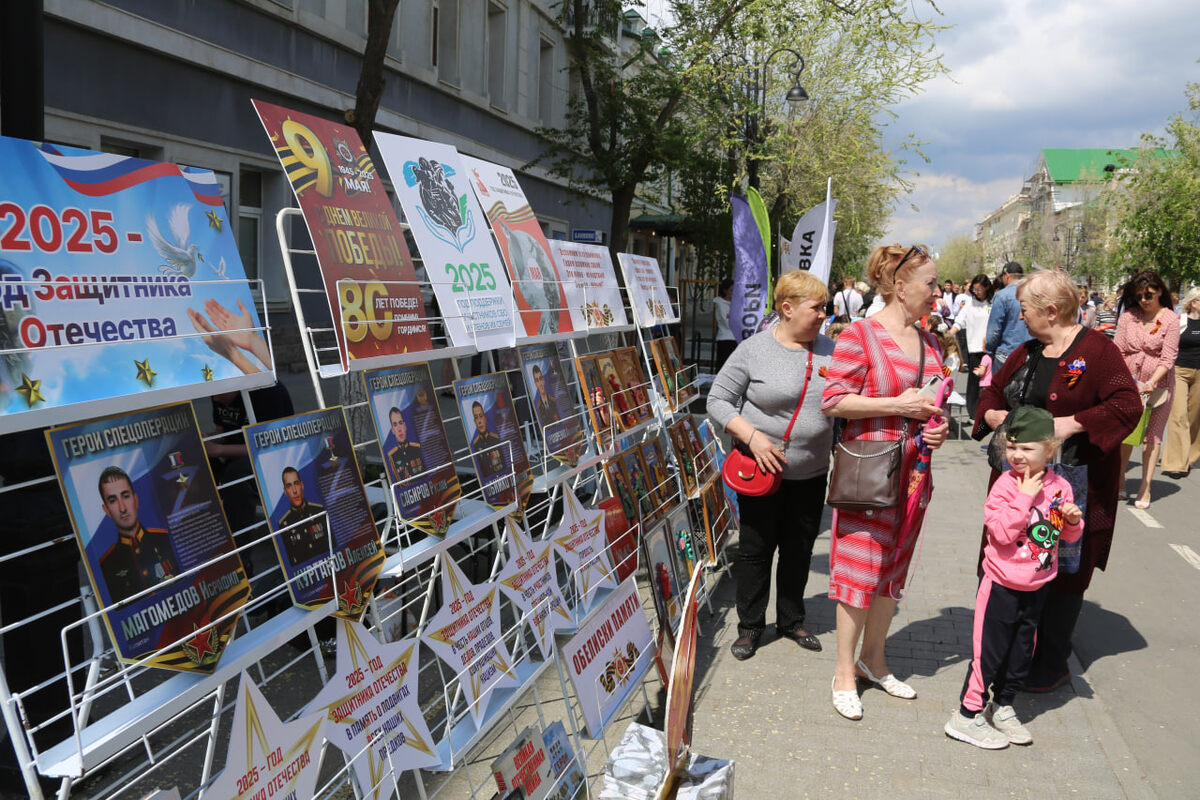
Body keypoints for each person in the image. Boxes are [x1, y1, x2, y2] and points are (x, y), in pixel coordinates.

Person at [973, 269, 1140, 692]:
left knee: (1063, 572)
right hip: (1017, 485)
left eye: (1025, 309)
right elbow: (994, 390)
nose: (1022, 316)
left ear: (1051, 310)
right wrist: (992, 415)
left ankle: (1051, 662)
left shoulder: (1098, 352)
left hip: (1073, 485)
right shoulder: (1026, 351)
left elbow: (1126, 404)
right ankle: (1001, 652)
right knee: (1008, 559)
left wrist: (1075, 423)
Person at [822, 243, 949, 720]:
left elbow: (932, 402)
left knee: (892, 571)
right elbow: (833, 400)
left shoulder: (931, 342)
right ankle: (843, 672)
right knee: (859, 570)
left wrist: (935, 428)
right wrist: (899, 406)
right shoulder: (860, 334)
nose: (936, 291)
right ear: (900, 286)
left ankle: (874, 660)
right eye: (930, 282)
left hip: (914, 478)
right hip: (870, 470)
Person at [708, 269, 835, 661]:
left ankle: (791, 620)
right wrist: (753, 437)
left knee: (799, 549)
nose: (822, 315)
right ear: (787, 308)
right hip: (761, 475)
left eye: (825, 308)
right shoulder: (754, 350)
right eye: (816, 307)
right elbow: (717, 400)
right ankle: (750, 627)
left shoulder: (833, 350)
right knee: (756, 550)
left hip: (811, 474)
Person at [946, 407, 1083, 750]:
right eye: (1012, 447)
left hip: (1037, 584)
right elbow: (1002, 533)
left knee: (1022, 651)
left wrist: (1073, 520)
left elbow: (1066, 538)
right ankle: (966, 714)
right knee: (988, 653)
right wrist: (1024, 496)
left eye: (1027, 448)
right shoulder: (1006, 486)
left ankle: (1004, 706)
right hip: (1001, 584)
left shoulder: (1060, 486)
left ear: (1049, 450)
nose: (1017, 455)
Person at [1115, 271, 1180, 508]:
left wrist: (1152, 381)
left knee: (1151, 437)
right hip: (1129, 383)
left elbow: (1168, 357)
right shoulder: (1129, 317)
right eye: (1139, 295)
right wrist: (1128, 380)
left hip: (1159, 386)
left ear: (1160, 291)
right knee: (1126, 434)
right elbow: (1119, 349)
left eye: (1149, 294)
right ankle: (1120, 478)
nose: (1144, 299)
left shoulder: (1171, 319)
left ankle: (1145, 485)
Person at [97, 466, 181, 604]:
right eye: (112, 500)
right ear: (106, 510)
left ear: (135, 500)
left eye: (125, 496)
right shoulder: (107, 565)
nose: (122, 508)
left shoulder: (165, 539)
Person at [1162, 287, 1200, 477]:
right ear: (1194, 303)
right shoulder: (1180, 321)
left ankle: (1190, 457)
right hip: (1179, 371)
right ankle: (1175, 464)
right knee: (1178, 416)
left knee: (1195, 417)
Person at [948, 274, 994, 419]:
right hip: (975, 349)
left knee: (989, 383)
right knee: (974, 383)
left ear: (987, 288)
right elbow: (959, 322)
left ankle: (988, 411)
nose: (976, 292)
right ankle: (973, 411)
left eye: (979, 290)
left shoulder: (993, 304)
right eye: (974, 289)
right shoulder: (969, 305)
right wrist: (949, 335)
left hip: (991, 349)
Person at [277, 467, 327, 563]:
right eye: (289, 486)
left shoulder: (319, 511)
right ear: (285, 491)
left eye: (296, 483)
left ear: (302, 485)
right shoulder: (284, 524)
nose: (294, 490)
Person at [986, 261, 1029, 368]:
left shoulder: (1002, 296)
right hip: (1030, 352)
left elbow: (994, 331)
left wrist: (989, 350)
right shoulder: (1034, 292)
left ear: (1007, 275)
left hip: (1007, 352)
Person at [386, 407, 425, 482]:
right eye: (395, 424)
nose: (399, 429)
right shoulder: (392, 456)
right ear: (393, 430)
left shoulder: (417, 448)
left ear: (405, 426)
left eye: (400, 423)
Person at [712, 278, 736, 371]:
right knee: (723, 366)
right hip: (725, 338)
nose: (733, 293)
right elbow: (726, 322)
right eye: (731, 290)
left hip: (735, 338)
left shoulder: (736, 303)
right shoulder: (720, 303)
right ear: (725, 290)